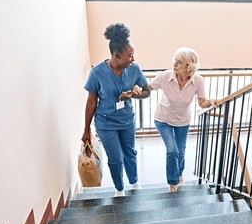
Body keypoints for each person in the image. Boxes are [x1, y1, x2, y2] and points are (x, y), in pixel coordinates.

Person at [81, 23, 150, 197]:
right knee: (116, 159)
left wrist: (133, 96)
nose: (133, 59)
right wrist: (86, 129)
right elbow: (91, 102)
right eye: (130, 56)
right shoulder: (97, 72)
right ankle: (119, 188)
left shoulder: (134, 69)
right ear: (116, 56)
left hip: (127, 120)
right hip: (105, 123)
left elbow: (147, 91)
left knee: (130, 153)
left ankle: (134, 182)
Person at [149, 47, 218, 192]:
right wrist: (135, 88)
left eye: (179, 62)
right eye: (175, 60)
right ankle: (172, 182)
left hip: (182, 121)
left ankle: (179, 173)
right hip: (163, 119)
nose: (174, 64)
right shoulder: (165, 76)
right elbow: (147, 87)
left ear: (189, 66)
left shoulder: (198, 81)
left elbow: (202, 102)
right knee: (172, 150)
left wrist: (211, 101)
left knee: (180, 151)